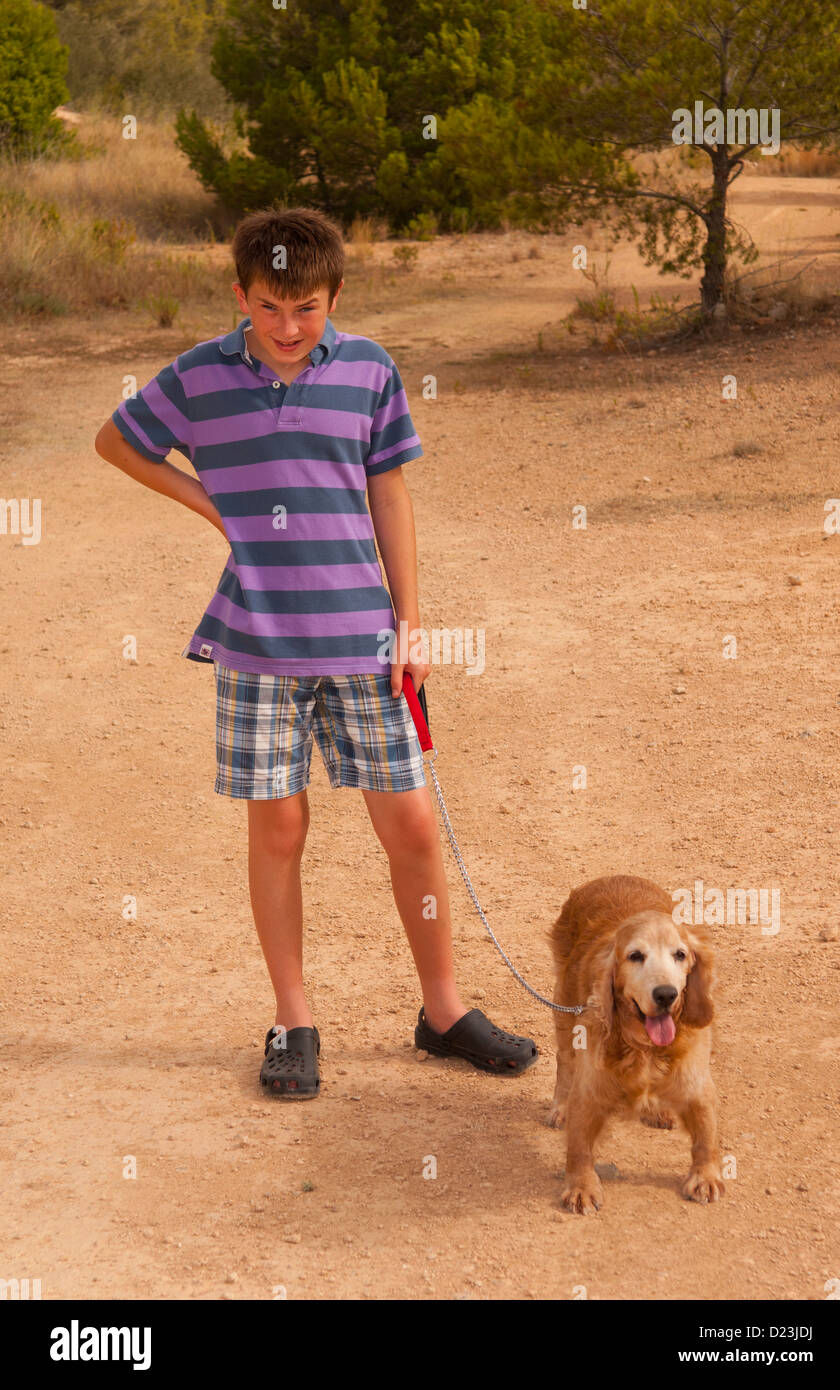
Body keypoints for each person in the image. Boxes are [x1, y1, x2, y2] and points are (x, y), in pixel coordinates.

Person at [94, 205, 536, 1098]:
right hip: (257, 642)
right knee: (280, 829)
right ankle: (294, 1021)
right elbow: (115, 441)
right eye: (267, 308)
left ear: (333, 295)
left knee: (409, 825)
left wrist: (410, 620)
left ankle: (442, 1010)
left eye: (306, 310)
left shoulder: (369, 369)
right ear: (240, 296)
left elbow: (391, 495)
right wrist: (211, 506)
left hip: (364, 637)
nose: (288, 330)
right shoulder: (198, 378)